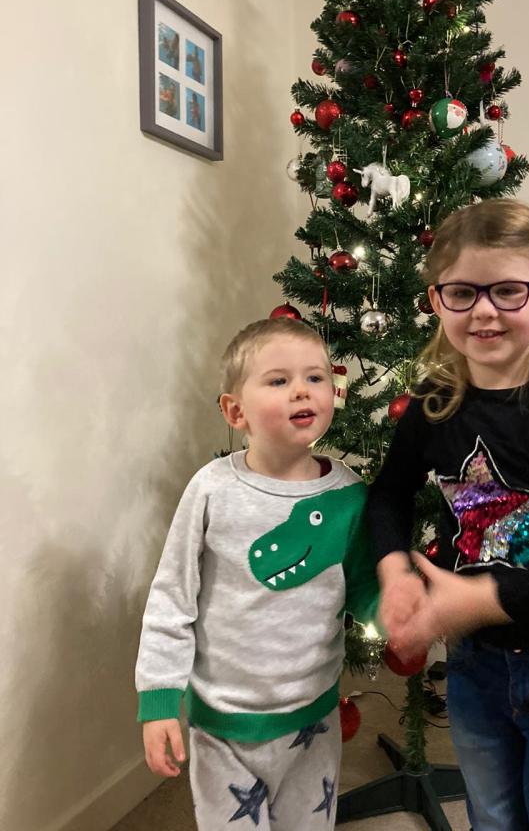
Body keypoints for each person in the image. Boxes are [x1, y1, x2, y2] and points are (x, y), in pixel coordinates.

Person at [368, 199, 529, 831]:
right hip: (475, 666)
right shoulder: (433, 404)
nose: (483, 310)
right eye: (462, 292)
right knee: (491, 819)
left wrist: (476, 601)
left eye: (508, 291)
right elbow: (388, 495)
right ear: (436, 301)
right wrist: (395, 574)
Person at [135, 318, 378, 831]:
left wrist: (401, 614)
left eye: (315, 377)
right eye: (278, 380)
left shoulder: (350, 495)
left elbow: (364, 588)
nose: (302, 390)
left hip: (314, 718)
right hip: (223, 727)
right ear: (235, 411)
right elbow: (172, 598)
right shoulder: (211, 490)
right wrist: (159, 700)